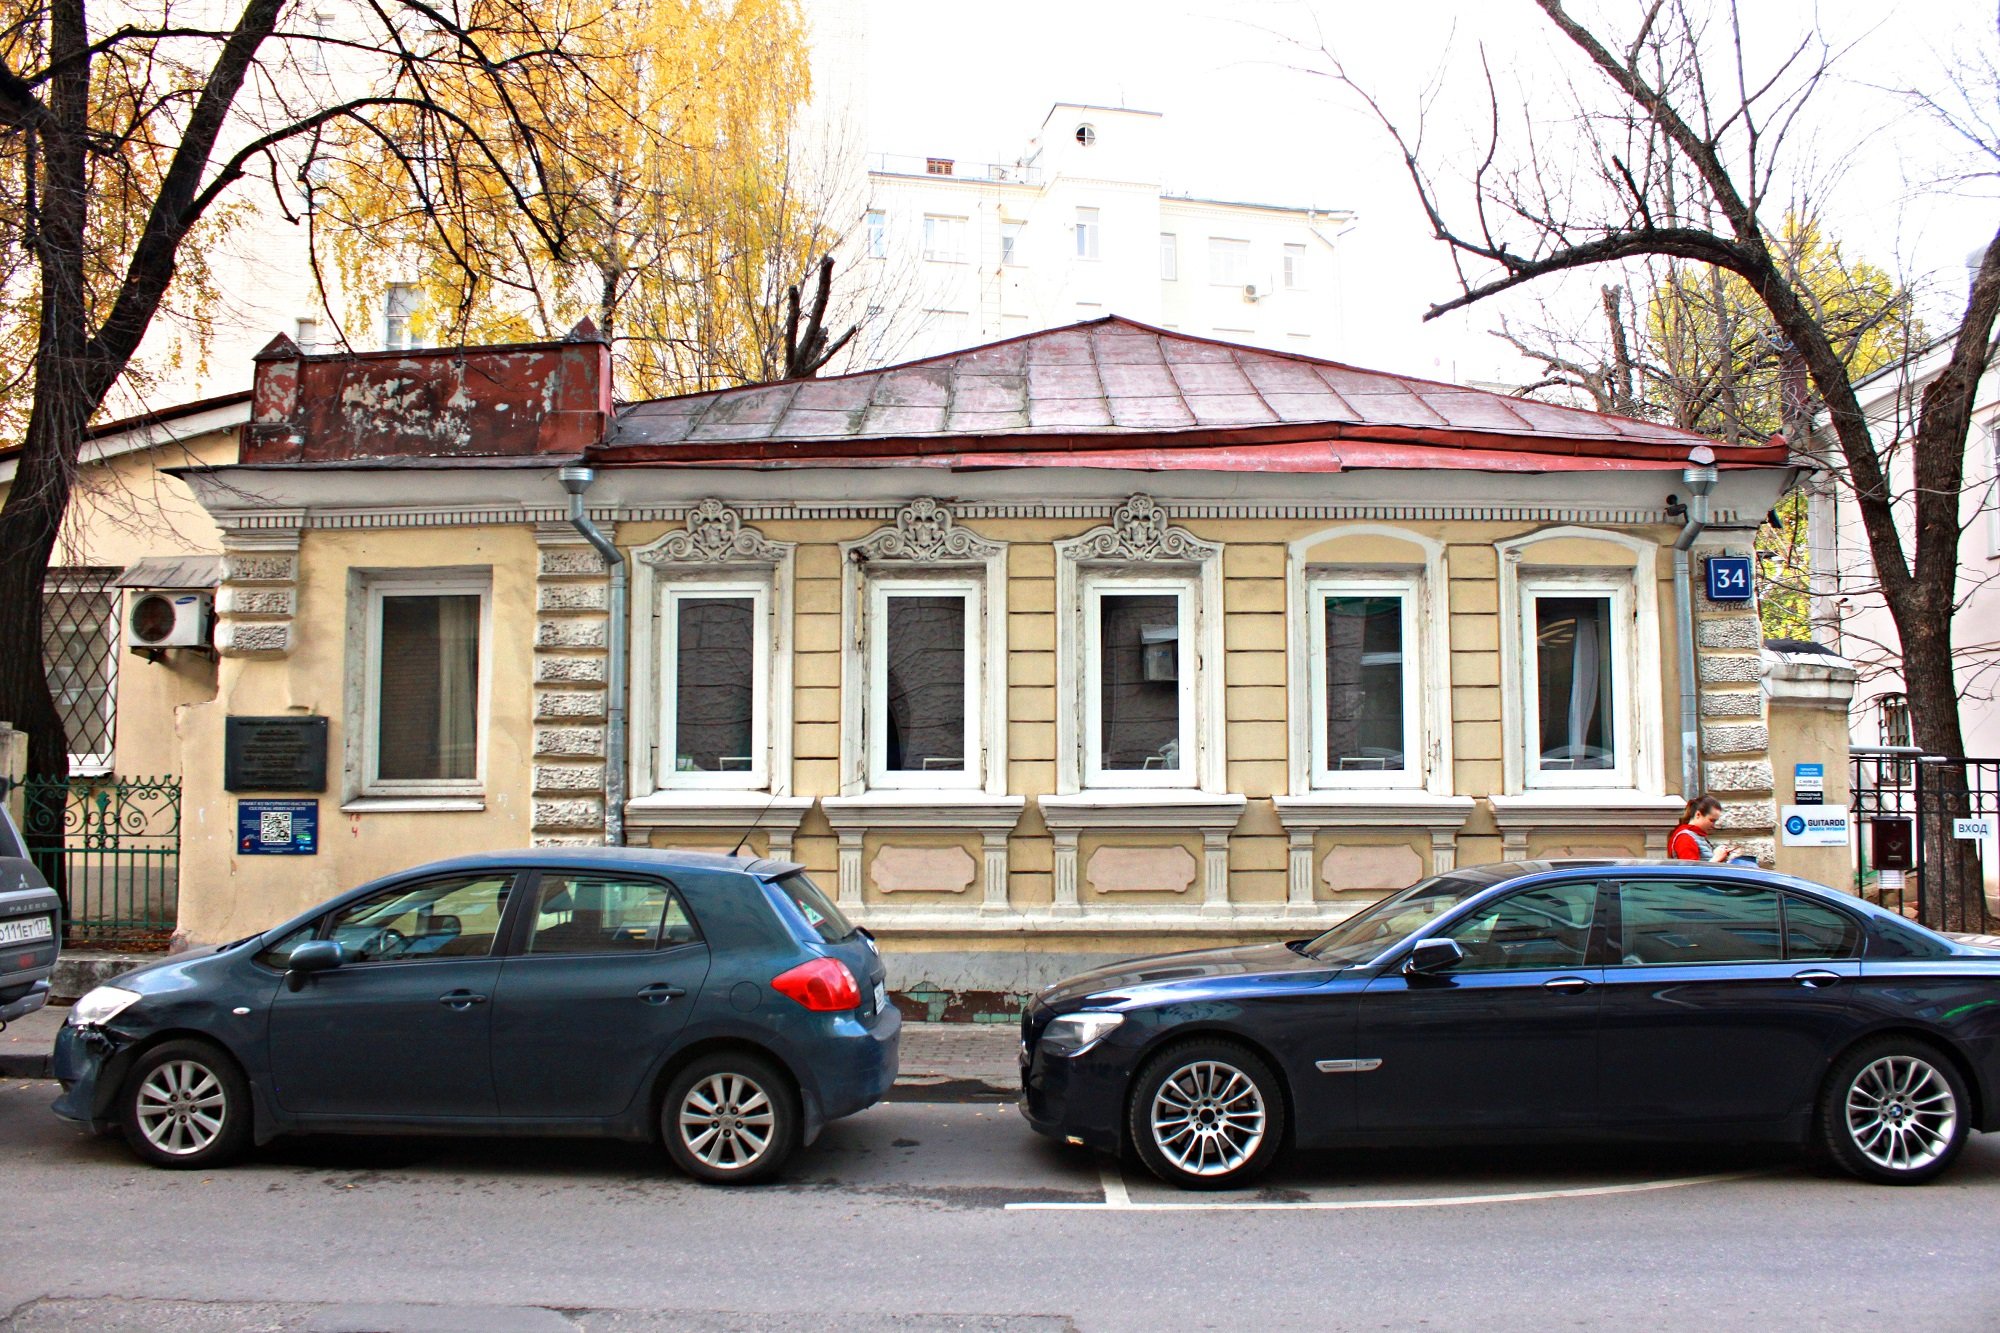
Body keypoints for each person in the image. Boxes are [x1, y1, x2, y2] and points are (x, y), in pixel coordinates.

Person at [1668, 795, 1753, 863]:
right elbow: (1692, 874)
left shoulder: (1695, 836)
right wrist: (1717, 858)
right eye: (1711, 820)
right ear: (1698, 814)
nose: (1713, 825)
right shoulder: (1685, 838)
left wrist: (1719, 855)